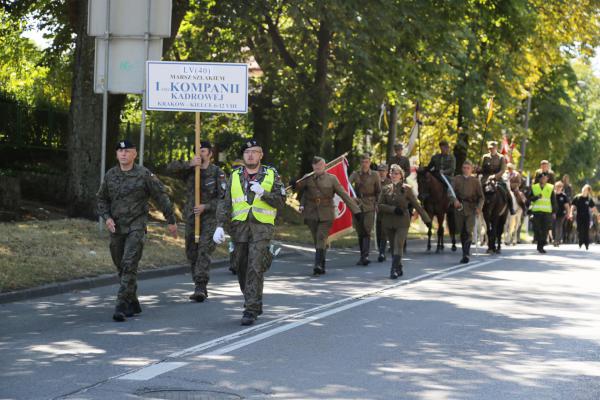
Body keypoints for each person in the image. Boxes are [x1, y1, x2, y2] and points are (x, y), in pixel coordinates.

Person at [97, 139, 177, 322]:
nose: (123, 154)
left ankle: (121, 304)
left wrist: (171, 220)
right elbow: (101, 199)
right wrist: (107, 218)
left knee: (129, 263)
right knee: (120, 265)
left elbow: (160, 196)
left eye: (127, 151)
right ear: (117, 154)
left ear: (135, 154)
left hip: (136, 225)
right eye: (120, 151)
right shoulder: (110, 175)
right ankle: (133, 302)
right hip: (117, 227)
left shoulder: (144, 174)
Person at [214, 139, 286, 325]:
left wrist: (264, 193)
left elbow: (281, 202)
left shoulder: (271, 174)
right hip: (239, 229)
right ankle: (254, 300)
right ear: (243, 156)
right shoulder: (235, 175)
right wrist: (220, 225)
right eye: (247, 152)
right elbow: (225, 202)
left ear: (261, 155)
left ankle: (250, 309)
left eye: (255, 151)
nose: (251, 155)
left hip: (262, 229)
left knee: (255, 266)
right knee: (240, 266)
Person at [166, 141, 226, 302]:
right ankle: (198, 283)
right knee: (191, 252)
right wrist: (189, 164)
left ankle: (200, 285)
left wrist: (206, 206)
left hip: (209, 218)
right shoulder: (190, 170)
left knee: (204, 250)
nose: (201, 152)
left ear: (210, 154)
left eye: (204, 150)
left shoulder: (217, 173)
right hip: (192, 217)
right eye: (198, 150)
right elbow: (169, 169)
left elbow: (224, 199)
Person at [297, 156, 360, 275]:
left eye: (320, 165)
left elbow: (344, 194)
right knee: (318, 239)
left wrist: (356, 211)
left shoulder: (332, 179)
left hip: (327, 212)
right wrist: (295, 183)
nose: (318, 167)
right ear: (313, 166)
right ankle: (322, 263)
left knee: (321, 237)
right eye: (315, 166)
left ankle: (317, 264)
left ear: (324, 166)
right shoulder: (308, 177)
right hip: (311, 213)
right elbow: (300, 188)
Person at [377, 164, 431, 279]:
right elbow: (380, 205)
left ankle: (393, 270)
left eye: (396, 173)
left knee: (398, 244)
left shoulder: (407, 189)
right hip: (389, 222)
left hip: (402, 222)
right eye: (392, 173)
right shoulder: (385, 189)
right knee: (393, 246)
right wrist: (393, 209)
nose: (394, 175)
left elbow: (417, 205)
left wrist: (427, 220)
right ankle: (399, 266)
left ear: (401, 176)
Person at [449, 160, 484, 264]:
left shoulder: (475, 181)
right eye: (464, 168)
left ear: (471, 169)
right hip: (459, 207)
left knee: (468, 231)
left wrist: (479, 207)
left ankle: (466, 254)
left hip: (471, 208)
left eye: (468, 168)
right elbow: (450, 192)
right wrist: (454, 200)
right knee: (461, 231)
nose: (466, 170)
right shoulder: (456, 179)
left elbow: (481, 197)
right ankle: (464, 252)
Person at [350, 153, 381, 265]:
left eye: (367, 162)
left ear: (370, 162)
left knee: (367, 229)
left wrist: (377, 203)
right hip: (357, 205)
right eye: (363, 162)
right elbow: (347, 184)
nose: (364, 164)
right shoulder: (355, 174)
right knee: (360, 231)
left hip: (370, 204)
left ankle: (365, 256)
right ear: (360, 163)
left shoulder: (375, 175)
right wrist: (351, 197)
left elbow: (379, 191)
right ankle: (361, 255)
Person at [479, 140, 515, 215]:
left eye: (493, 148)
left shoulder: (501, 157)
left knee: (506, 189)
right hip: (486, 177)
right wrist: (478, 169)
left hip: (497, 177)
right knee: (478, 188)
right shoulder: (485, 157)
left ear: (496, 148)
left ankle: (511, 207)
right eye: (490, 148)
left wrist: (495, 176)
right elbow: (483, 168)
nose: (491, 150)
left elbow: (503, 170)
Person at [528, 172, 556, 254]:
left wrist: (554, 211)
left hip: (547, 212)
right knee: (537, 229)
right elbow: (529, 198)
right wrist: (536, 197)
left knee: (545, 229)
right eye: (542, 178)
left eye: (545, 178)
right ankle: (539, 243)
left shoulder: (550, 187)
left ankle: (541, 246)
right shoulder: (534, 187)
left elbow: (553, 200)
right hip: (537, 212)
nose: (544, 179)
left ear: (547, 179)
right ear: (539, 179)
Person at [570, 184, 596, 250]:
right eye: (584, 189)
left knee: (586, 230)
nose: (584, 190)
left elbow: (593, 208)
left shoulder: (589, 199)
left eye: (586, 189)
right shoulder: (577, 197)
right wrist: (571, 213)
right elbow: (572, 206)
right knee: (579, 230)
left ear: (588, 191)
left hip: (586, 216)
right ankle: (580, 242)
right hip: (579, 216)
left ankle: (586, 244)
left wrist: (598, 214)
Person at [376, 163, 391, 262]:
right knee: (378, 231)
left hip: (385, 210)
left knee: (384, 231)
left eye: (383, 171)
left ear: (387, 172)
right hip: (376, 209)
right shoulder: (375, 182)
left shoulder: (390, 182)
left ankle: (382, 252)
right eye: (380, 171)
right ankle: (380, 249)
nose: (381, 173)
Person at [552, 181, 570, 247]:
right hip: (553, 213)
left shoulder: (563, 196)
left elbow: (567, 205)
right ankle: (554, 239)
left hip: (561, 213)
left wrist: (568, 213)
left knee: (559, 226)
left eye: (560, 187)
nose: (558, 188)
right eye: (557, 186)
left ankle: (557, 240)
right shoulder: (552, 194)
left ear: (562, 188)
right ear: (555, 187)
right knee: (553, 227)